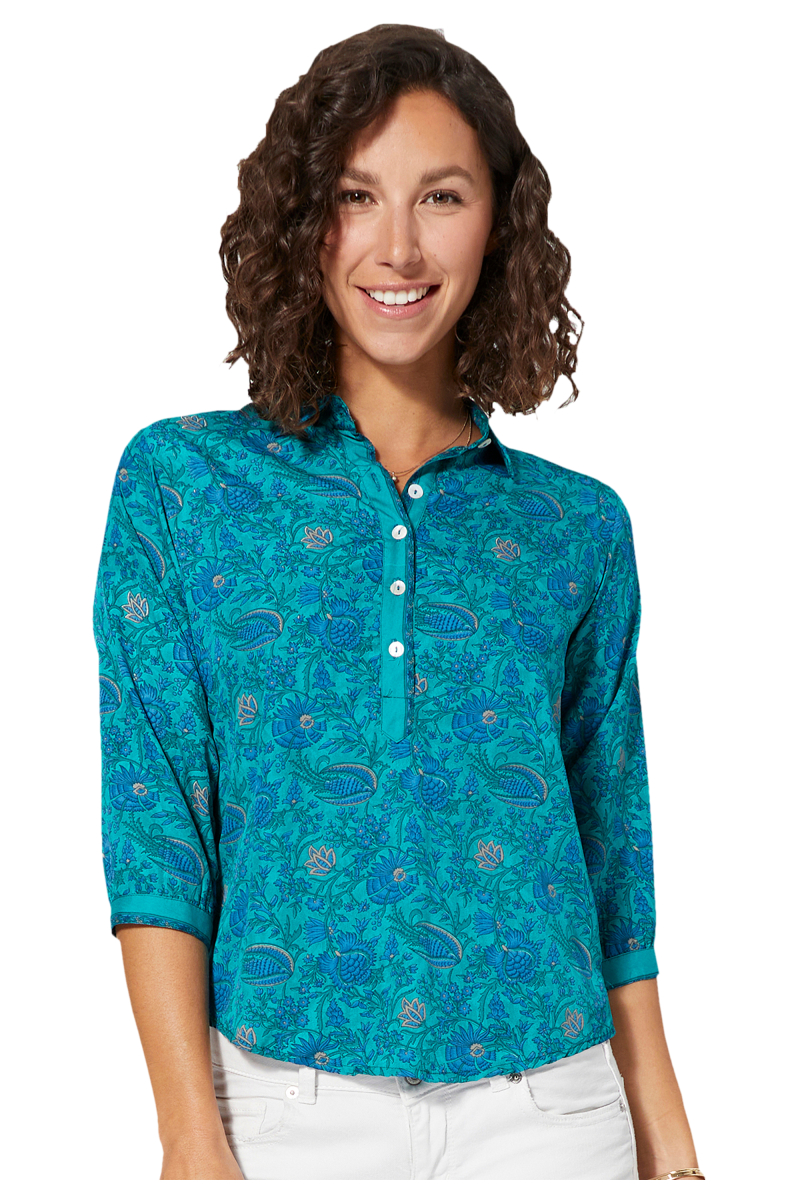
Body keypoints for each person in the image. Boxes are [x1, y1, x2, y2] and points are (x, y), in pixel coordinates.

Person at [92, 23, 704, 1182]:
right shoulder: (182, 485)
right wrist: (190, 1138)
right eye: (354, 195)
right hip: (280, 1102)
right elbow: (155, 822)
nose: (397, 245)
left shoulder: (576, 526)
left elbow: (610, 850)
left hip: (552, 1110)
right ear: (300, 220)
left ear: (498, 223)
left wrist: (665, 1138)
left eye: (441, 196)